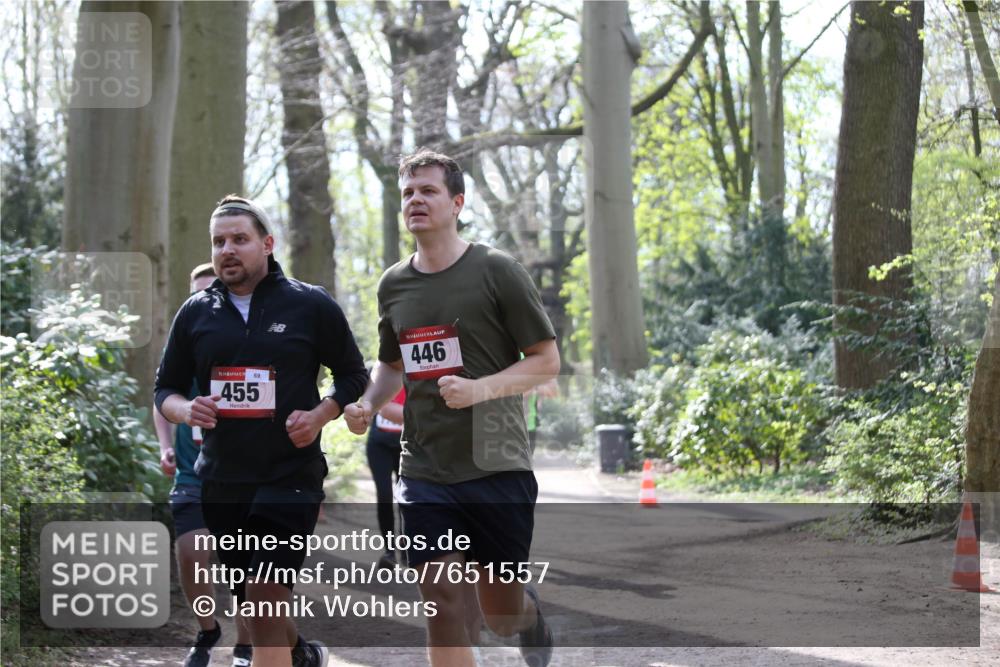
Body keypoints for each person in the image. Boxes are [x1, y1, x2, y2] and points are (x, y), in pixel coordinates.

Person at [344, 150, 560, 667]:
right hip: (425, 468)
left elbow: (547, 361)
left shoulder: (497, 270)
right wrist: (368, 404)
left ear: (457, 202)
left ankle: (527, 619)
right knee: (440, 603)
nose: (415, 200)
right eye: (408, 193)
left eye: (428, 191)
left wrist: (479, 389)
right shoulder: (394, 284)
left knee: (498, 614)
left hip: (495, 463)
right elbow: (392, 365)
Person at [155, 195, 368, 667]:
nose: (227, 250)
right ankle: (301, 655)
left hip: (291, 473)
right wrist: (187, 408)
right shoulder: (196, 312)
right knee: (254, 603)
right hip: (224, 480)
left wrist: (322, 413)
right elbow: (164, 389)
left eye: (239, 239)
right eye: (218, 242)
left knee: (265, 592)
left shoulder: (310, 304)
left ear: (267, 244)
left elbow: (354, 374)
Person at [154, 262, 253, 667]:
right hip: (194, 473)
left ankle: (246, 644)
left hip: (247, 476)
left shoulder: (250, 339)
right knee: (192, 552)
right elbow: (162, 396)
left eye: (213, 290)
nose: (207, 298)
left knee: (246, 565)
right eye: (198, 292)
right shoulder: (184, 340)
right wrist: (165, 446)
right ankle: (207, 629)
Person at [365, 384, 405, 569]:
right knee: (384, 496)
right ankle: (389, 551)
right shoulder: (379, 373)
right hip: (379, 445)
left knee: (406, 498)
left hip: (407, 446)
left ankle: (406, 549)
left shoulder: (416, 369)